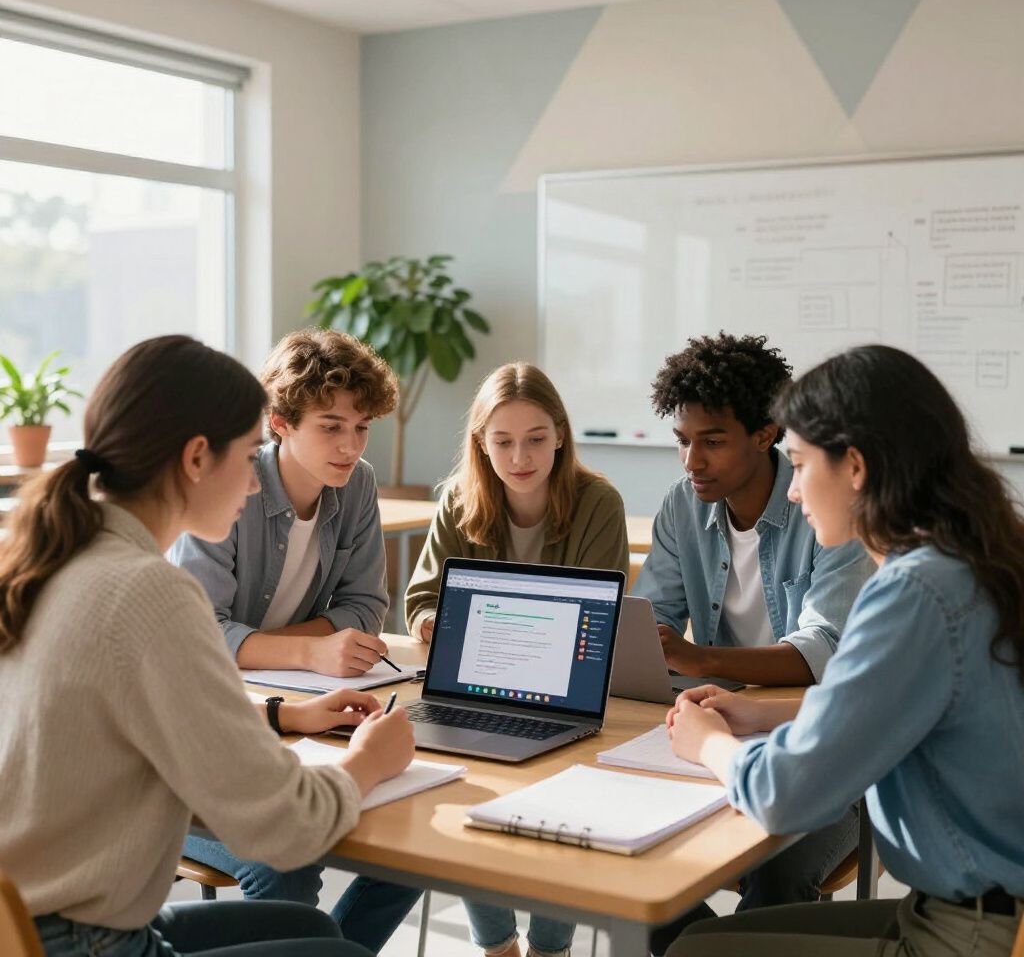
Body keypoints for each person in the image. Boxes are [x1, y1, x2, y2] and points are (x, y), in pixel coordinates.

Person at [0, 335, 415, 957]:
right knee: (343, 955)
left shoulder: (58, 557)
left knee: (316, 931)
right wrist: (368, 763)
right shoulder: (151, 593)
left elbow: (121, 715)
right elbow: (285, 826)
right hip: (83, 941)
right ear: (197, 458)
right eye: (250, 456)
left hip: (47, 920)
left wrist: (280, 714)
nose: (254, 483)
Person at [666, 344, 1024, 955]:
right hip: (971, 913)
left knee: (696, 950)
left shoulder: (911, 591)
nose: (796, 492)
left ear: (854, 467)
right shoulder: (964, 564)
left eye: (801, 465)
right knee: (699, 936)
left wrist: (710, 745)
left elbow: (783, 796)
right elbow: (896, 704)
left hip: (968, 936)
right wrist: (761, 713)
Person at [169, 328, 421, 953]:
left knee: (412, 836)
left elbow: (366, 607)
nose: (350, 445)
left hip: (272, 713)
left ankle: (325, 950)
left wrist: (264, 655)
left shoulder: (356, 484)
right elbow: (203, 634)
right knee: (289, 857)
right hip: (204, 748)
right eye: (331, 426)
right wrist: (308, 650)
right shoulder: (230, 486)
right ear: (279, 424)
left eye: (362, 427)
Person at [632, 333, 876, 949]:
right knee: (633, 867)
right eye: (683, 442)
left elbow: (823, 651)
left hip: (820, 747)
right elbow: (651, 620)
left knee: (774, 870)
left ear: (767, 435)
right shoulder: (681, 506)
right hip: (727, 723)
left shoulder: (830, 506)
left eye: (712, 442)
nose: (692, 463)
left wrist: (696, 657)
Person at [406, 361, 629, 957]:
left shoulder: (597, 502)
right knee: (462, 789)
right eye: (502, 441)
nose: (520, 457)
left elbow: (595, 622)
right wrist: (431, 622)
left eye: (535, 439)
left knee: (571, 790)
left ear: (560, 434)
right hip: (477, 690)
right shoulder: (459, 499)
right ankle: (497, 946)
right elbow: (423, 598)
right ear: (480, 442)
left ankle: (550, 949)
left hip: (565, 700)